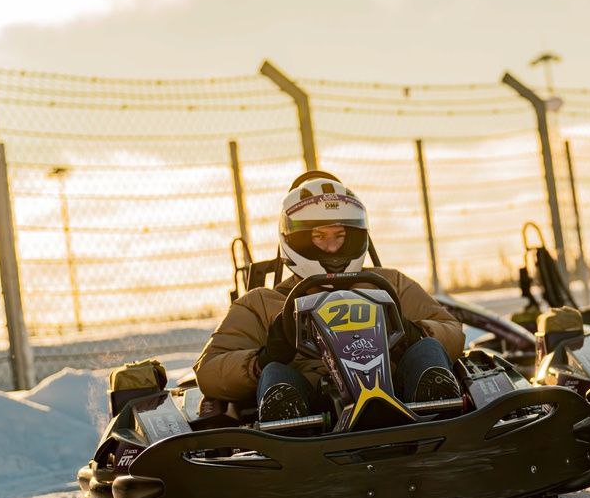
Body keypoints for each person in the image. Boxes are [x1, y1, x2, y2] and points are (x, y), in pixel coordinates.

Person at [194, 176, 465, 422]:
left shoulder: (390, 283)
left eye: (340, 235)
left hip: (401, 394)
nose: (332, 247)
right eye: (318, 236)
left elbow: (452, 330)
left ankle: (441, 408)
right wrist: (262, 359)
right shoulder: (262, 303)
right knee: (276, 373)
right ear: (294, 239)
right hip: (312, 411)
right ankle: (288, 423)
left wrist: (412, 333)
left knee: (427, 348)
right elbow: (209, 371)